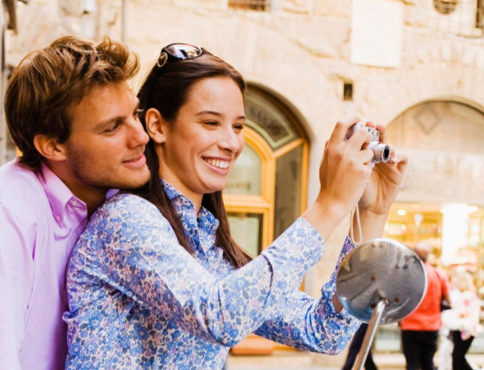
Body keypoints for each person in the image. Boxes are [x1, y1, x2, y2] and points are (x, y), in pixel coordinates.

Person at [65, 43, 409, 369]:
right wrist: (330, 203)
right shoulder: (125, 219)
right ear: (156, 125)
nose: (231, 142)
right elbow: (220, 317)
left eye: (239, 126)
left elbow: (323, 332)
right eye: (210, 122)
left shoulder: (208, 246)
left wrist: (370, 213)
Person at [0, 36, 150, 369]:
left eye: (135, 115)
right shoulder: (1, 211)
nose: (140, 136)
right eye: (113, 127)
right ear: (52, 146)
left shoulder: (122, 204)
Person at [399, 242, 451, 370]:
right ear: (428, 256)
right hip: (431, 326)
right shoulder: (439, 274)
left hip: (410, 325)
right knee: (428, 363)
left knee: (412, 363)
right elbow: (448, 300)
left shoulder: (405, 274)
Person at [444, 272, 481, 370]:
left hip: (466, 330)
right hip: (460, 329)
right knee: (459, 357)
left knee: (457, 357)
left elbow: (466, 313)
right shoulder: (462, 295)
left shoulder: (468, 297)